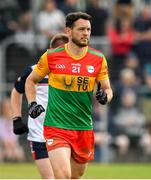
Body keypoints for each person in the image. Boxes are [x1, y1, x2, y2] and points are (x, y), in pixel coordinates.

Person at [25, 11, 113, 179]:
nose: (86, 33)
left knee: (75, 176)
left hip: (83, 127)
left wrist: (105, 97)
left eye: (88, 29)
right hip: (56, 126)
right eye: (81, 29)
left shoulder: (98, 59)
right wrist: (32, 103)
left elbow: (108, 89)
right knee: (63, 176)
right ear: (68, 31)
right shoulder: (51, 56)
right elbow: (30, 81)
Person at [11, 33, 69, 179]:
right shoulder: (34, 71)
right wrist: (16, 118)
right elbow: (16, 92)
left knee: (64, 176)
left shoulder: (72, 73)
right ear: (49, 51)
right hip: (39, 134)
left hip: (63, 133)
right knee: (50, 178)